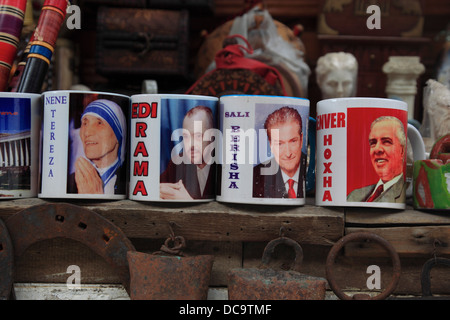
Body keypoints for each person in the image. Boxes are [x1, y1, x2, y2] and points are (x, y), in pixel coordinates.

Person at [67, 99, 127, 194]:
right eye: (85, 123)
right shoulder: (71, 180)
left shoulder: (128, 182)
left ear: (118, 133)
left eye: (99, 123)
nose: (87, 132)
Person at [160, 105, 215, 200]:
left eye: (198, 136)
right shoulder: (177, 162)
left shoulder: (228, 168)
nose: (191, 144)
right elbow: (151, 187)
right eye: (186, 137)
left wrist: (187, 201)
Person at [347, 116, 406, 203]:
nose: (377, 149)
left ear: (402, 151)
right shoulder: (354, 195)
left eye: (386, 141)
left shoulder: (405, 196)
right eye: (373, 143)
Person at [253, 106, 306, 198]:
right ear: (271, 145)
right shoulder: (256, 177)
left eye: (293, 141)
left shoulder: (314, 169)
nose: (288, 153)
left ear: (301, 140)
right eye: (279, 144)